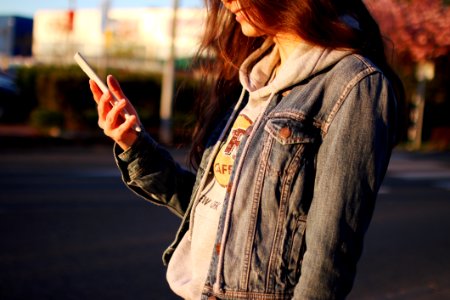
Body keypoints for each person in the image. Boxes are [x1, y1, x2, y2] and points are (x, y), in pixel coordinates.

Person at [89, 0, 404, 298]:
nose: (226, 3)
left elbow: (330, 256)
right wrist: (133, 142)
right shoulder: (254, 80)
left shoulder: (353, 84)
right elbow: (217, 210)